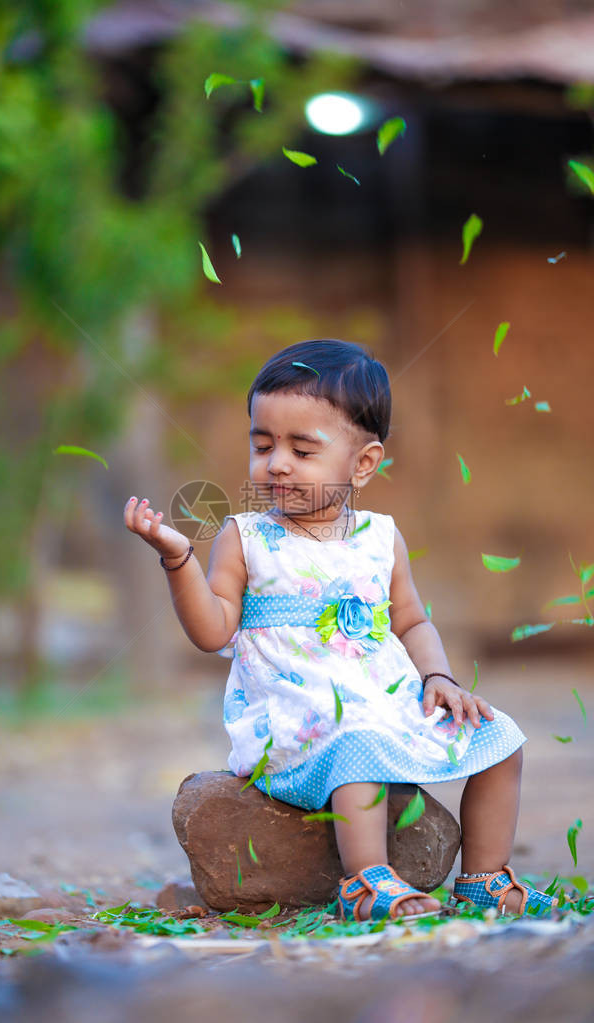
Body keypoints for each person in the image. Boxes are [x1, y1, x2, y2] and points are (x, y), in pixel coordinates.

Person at [124, 339, 555, 922]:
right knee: (357, 743)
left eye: (302, 450)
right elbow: (211, 629)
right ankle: (367, 881)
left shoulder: (381, 537)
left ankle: (481, 877)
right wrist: (178, 558)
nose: (276, 463)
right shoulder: (246, 538)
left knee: (501, 739)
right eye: (262, 444)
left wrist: (439, 676)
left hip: (381, 702)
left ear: (363, 464)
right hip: (298, 717)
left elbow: (412, 620)